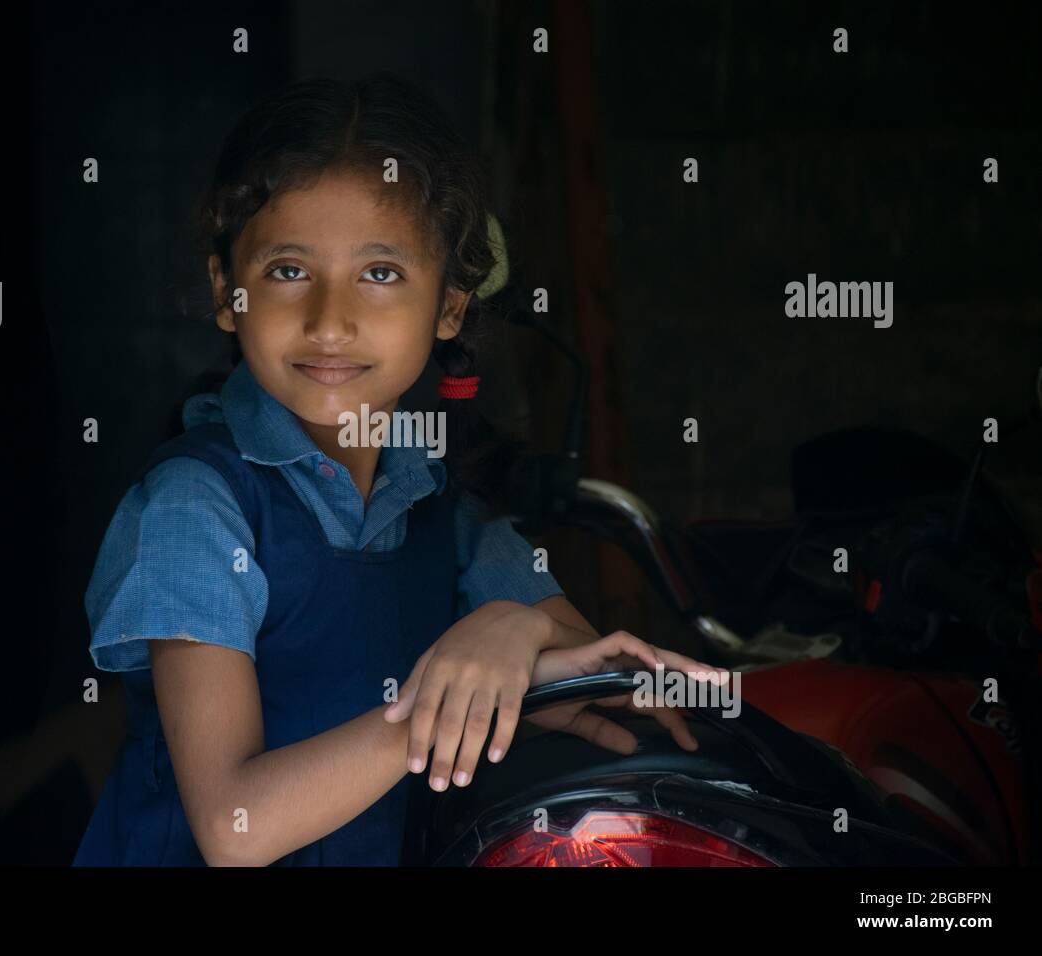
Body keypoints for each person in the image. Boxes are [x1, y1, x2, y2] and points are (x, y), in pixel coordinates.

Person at [72, 74, 722, 867]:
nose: (330, 320)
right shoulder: (198, 506)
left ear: (449, 305)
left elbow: (592, 669)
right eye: (286, 270)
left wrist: (512, 633)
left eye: (380, 273)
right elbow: (234, 826)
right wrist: (456, 693)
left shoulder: (439, 500)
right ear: (226, 292)